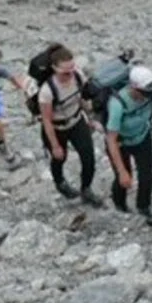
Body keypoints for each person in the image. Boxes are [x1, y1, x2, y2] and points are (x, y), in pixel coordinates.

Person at [105, 66, 152, 226]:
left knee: (146, 174)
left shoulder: (149, 95)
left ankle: (144, 205)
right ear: (134, 88)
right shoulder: (117, 104)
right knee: (123, 176)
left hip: (143, 136)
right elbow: (111, 139)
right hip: (121, 142)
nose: (146, 98)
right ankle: (120, 203)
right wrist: (122, 171)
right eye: (143, 94)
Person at [38, 46, 102, 207]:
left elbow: (80, 97)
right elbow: (46, 119)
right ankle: (60, 182)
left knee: (88, 158)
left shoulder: (77, 76)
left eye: (72, 69)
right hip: (57, 127)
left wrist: (90, 117)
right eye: (65, 72)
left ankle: (86, 189)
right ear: (54, 68)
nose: (70, 74)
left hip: (76, 121)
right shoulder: (47, 91)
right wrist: (55, 146)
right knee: (60, 157)